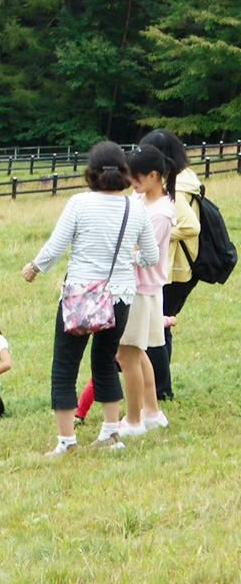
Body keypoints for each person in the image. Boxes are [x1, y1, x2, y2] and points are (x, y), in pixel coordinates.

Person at [21, 141, 158, 456]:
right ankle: (110, 434)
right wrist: (129, 259)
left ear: (91, 172)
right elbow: (151, 256)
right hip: (119, 297)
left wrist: (34, 267)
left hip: (79, 297)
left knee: (65, 365)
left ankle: (67, 441)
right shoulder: (135, 207)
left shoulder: (79, 203)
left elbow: (56, 246)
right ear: (124, 172)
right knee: (106, 363)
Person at [138, 128, 201, 400]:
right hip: (177, 268)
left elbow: (191, 226)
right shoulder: (184, 178)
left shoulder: (175, 186)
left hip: (173, 269)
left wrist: (159, 235)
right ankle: (156, 387)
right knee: (158, 329)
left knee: (157, 331)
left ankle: (161, 390)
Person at [118, 146, 176, 435]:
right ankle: (151, 412)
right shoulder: (140, 197)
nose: (133, 183)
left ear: (154, 175)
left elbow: (143, 252)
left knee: (127, 354)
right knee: (136, 352)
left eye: (137, 177)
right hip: (140, 286)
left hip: (141, 288)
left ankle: (133, 421)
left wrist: (117, 251)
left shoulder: (161, 212)